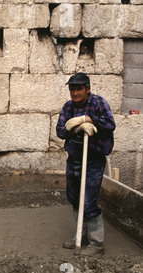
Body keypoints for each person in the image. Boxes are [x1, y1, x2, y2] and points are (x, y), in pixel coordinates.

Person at [56, 73, 115, 258]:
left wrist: (89, 120)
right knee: (75, 198)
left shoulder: (98, 103)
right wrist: (76, 127)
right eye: (72, 89)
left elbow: (110, 125)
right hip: (74, 158)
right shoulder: (68, 106)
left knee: (88, 201)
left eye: (79, 89)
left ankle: (97, 244)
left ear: (87, 89)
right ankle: (80, 237)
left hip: (93, 160)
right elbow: (60, 131)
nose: (75, 93)